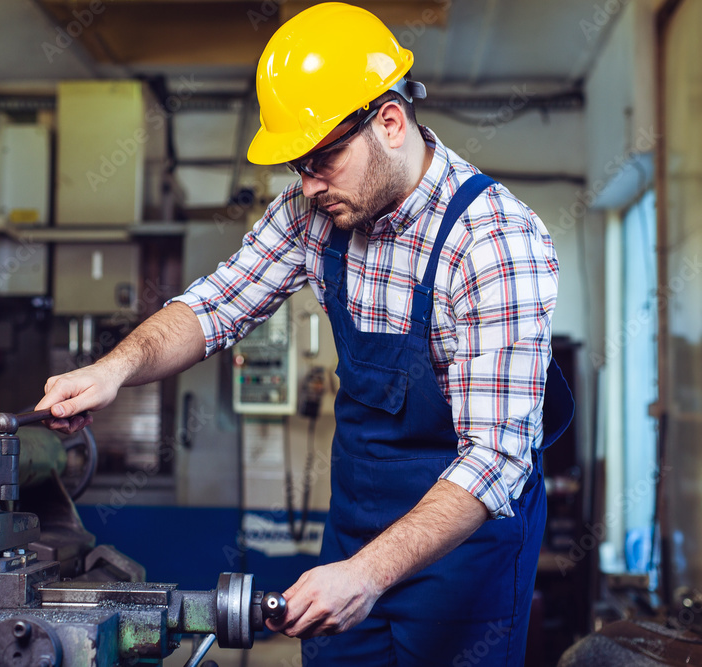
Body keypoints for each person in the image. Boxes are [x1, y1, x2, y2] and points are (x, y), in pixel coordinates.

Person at [35, 3, 574, 665]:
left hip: (465, 554)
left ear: (391, 121)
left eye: (320, 160)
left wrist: (370, 574)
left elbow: (495, 456)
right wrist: (114, 368)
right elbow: (215, 306)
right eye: (297, 166)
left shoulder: (494, 240)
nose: (308, 185)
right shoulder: (310, 210)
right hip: (353, 530)